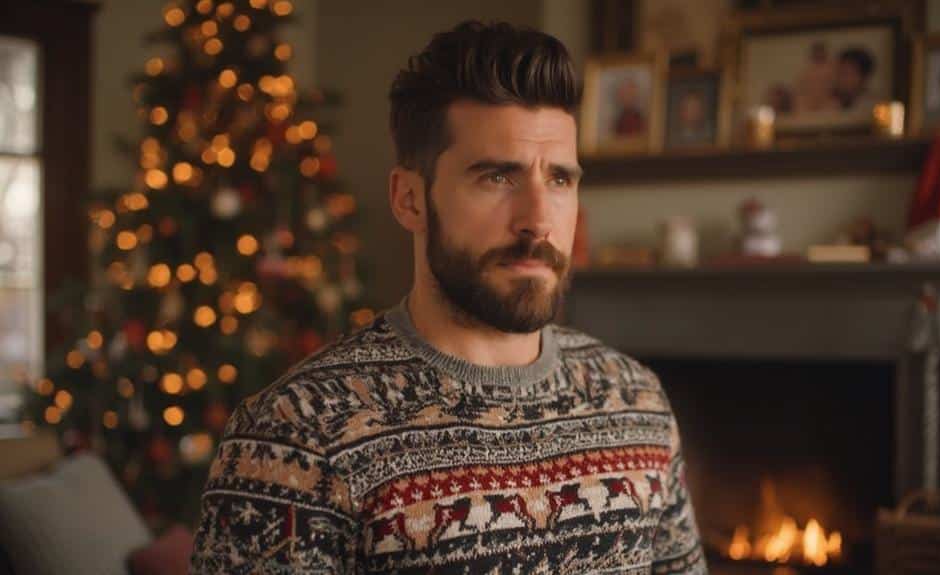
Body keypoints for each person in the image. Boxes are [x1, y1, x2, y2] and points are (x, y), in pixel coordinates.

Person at [190, 20, 707, 574]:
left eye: (559, 179)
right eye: (497, 177)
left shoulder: (638, 402)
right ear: (409, 199)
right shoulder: (297, 435)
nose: (538, 219)